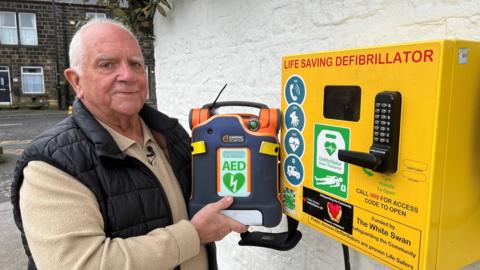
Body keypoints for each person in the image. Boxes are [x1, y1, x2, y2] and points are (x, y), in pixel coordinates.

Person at [11, 18, 247, 270]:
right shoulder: (51, 165)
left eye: (135, 64)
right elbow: (81, 265)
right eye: (107, 64)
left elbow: (213, 192)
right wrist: (193, 235)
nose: (127, 75)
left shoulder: (171, 134)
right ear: (76, 82)